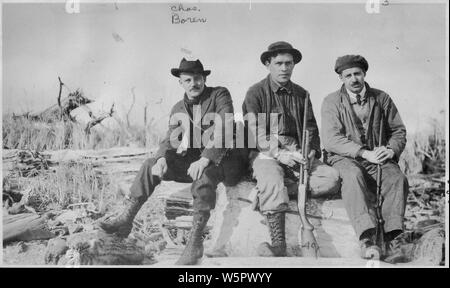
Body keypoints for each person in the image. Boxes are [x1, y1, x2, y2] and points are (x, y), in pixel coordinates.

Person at [99, 58, 246, 265]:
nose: (193, 84)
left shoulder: (219, 94)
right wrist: (161, 158)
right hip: (198, 163)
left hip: (226, 161)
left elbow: (226, 127)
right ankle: (126, 219)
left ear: (204, 78)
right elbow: (170, 138)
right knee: (150, 164)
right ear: (180, 82)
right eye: (187, 80)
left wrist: (205, 159)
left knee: (204, 175)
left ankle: (194, 244)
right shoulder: (179, 107)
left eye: (197, 79)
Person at [242, 41, 340, 257]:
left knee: (331, 178)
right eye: (279, 63)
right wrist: (280, 153)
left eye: (289, 63)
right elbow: (255, 130)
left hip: (297, 152)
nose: (284, 68)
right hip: (266, 152)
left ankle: (272, 191)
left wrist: (310, 151)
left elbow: (311, 127)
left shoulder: (302, 94)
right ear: (268, 64)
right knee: (270, 176)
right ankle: (278, 244)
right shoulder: (255, 93)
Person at [321, 55, 409, 259]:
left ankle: (392, 239)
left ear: (364, 74)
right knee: (352, 177)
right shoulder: (331, 101)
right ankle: (367, 240)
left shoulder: (381, 98)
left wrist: (391, 150)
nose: (354, 79)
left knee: (397, 178)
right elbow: (331, 139)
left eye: (357, 74)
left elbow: (398, 131)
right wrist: (363, 153)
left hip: (377, 157)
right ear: (341, 78)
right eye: (348, 75)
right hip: (344, 158)